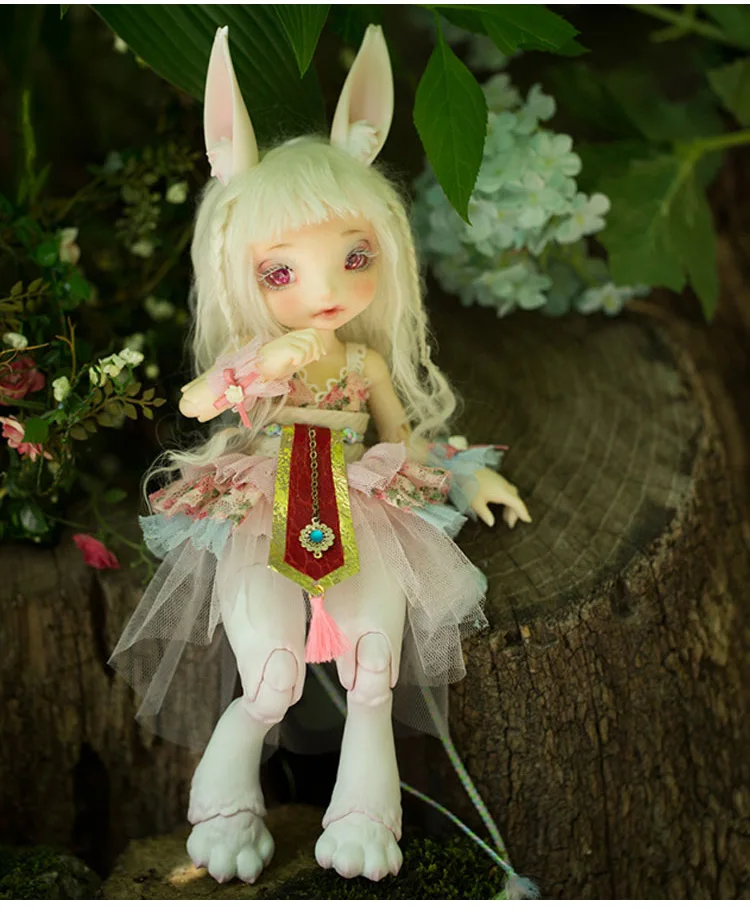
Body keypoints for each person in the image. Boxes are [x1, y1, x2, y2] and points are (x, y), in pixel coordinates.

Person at [110, 24, 531, 885]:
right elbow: (194, 404)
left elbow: (403, 439)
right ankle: (225, 801)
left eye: (354, 257)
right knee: (270, 677)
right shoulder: (259, 361)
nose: (328, 290)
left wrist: (464, 471)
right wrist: (256, 369)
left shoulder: (365, 363)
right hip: (266, 497)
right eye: (282, 272)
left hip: (360, 497)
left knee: (373, 666)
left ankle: (366, 811)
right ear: (242, 275)